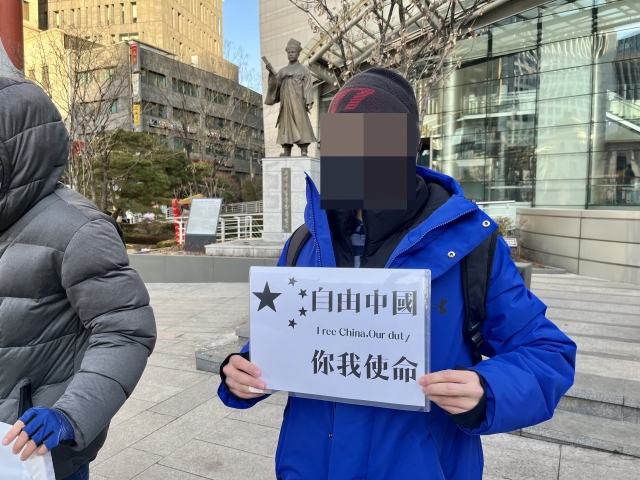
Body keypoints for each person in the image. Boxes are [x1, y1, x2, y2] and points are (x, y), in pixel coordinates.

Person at [218, 68, 576, 479]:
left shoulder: (472, 245)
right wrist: (243, 370)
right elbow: (285, 339)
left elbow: (548, 353)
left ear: (408, 145)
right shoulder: (306, 241)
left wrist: (486, 389)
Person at [0, 77, 157, 479]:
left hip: (37, 448)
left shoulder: (79, 229)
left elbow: (126, 331)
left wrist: (69, 415)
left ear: (16, 149)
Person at [264, 38, 317, 157]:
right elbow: (276, 84)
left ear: (298, 54)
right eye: (289, 52)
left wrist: (308, 100)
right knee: (285, 122)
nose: (291, 54)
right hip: (286, 101)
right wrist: (271, 74)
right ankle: (286, 149)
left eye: (293, 52)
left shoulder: (304, 70)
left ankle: (304, 149)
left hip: (298, 100)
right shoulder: (283, 71)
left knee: (301, 121)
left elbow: (308, 86)